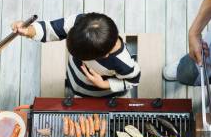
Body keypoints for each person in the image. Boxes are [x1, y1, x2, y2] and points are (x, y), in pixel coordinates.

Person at [12, 13, 140, 97]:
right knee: (73, 85)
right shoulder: (81, 23)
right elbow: (52, 29)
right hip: (75, 74)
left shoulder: (123, 63)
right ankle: (74, 87)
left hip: (98, 91)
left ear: (104, 55)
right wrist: (28, 30)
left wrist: (103, 84)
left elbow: (133, 81)